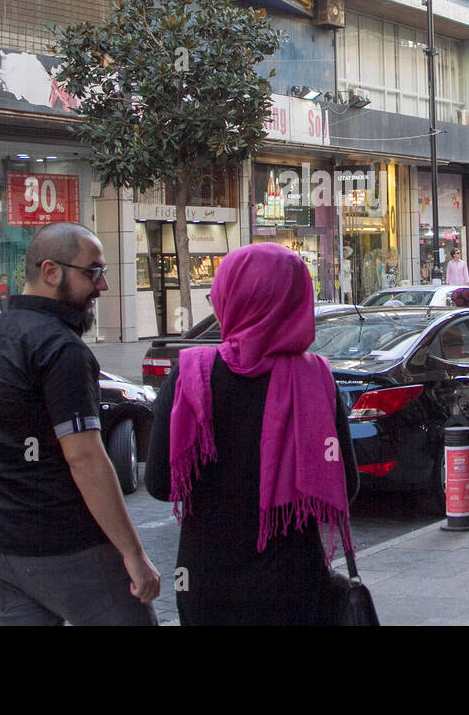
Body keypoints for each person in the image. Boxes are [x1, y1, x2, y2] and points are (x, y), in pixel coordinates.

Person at [146, 243, 358, 625]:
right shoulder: (316, 378)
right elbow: (347, 486)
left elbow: (161, 484)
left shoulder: (191, 373)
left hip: (205, 581)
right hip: (293, 582)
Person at [0, 222, 159, 625]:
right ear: (51, 272)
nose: (102, 286)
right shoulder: (62, 349)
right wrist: (134, 555)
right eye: (93, 272)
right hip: (66, 546)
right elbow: (85, 458)